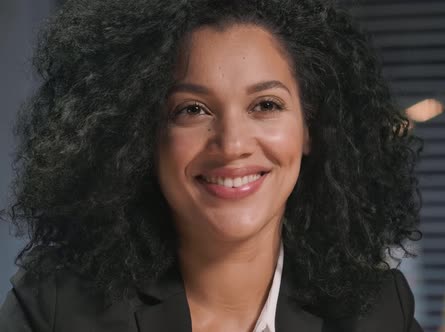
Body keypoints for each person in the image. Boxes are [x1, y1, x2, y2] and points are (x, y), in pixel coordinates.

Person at [0, 0, 423, 331]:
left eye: (266, 104)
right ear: (140, 137)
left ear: (311, 128)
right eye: (193, 109)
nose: (233, 144)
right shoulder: (56, 308)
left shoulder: (377, 311)